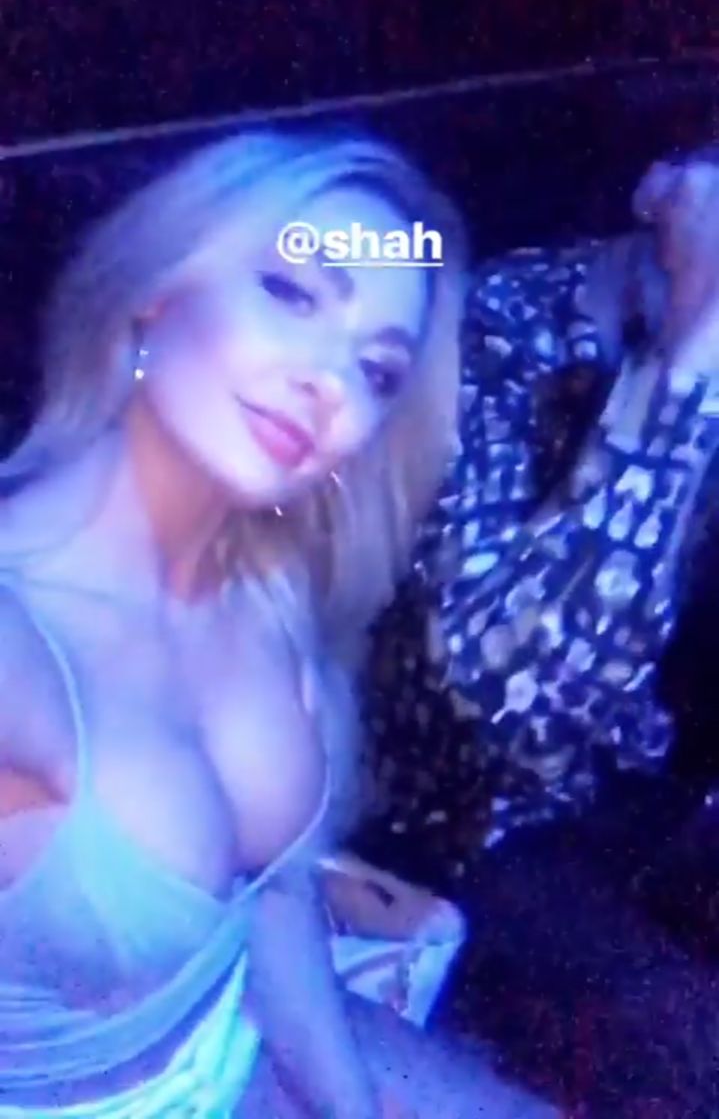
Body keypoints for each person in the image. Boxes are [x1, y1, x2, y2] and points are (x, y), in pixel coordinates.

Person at [0, 126, 558, 1118]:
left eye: (376, 370)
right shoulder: (20, 635)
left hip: (231, 1042)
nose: (328, 381)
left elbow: (273, 896)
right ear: (155, 291)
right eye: (292, 293)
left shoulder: (267, 585)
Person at [360, 149, 719, 886]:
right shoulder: (491, 330)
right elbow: (496, 717)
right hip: (472, 835)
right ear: (663, 190)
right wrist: (687, 373)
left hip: (652, 793)